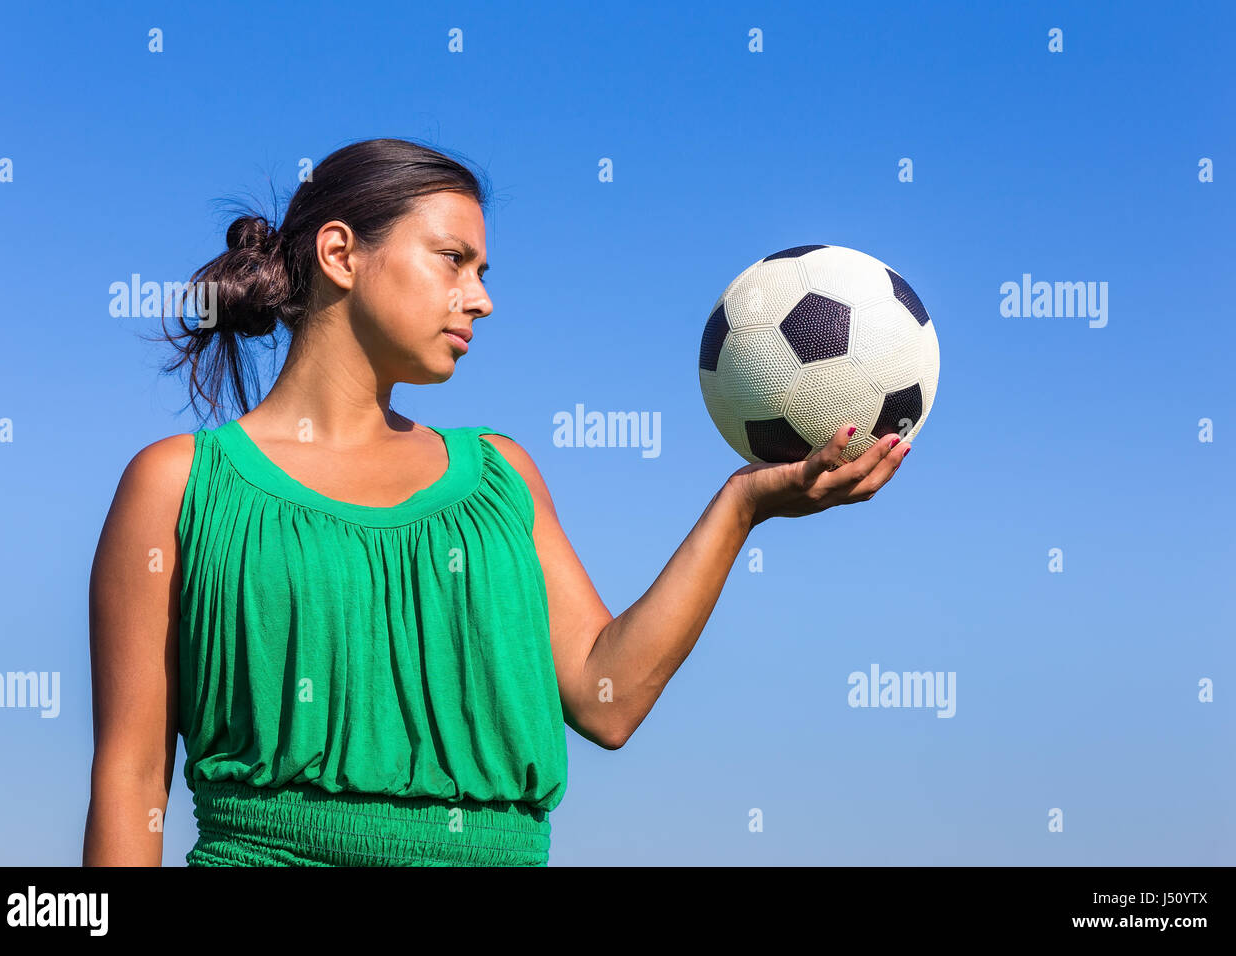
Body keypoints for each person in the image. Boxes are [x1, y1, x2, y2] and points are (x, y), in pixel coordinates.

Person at [81, 137, 910, 867]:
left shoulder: (500, 477)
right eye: (454, 260)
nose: (480, 298)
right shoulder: (181, 483)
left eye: (482, 272)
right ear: (341, 253)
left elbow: (605, 698)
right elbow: (131, 778)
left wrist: (742, 508)